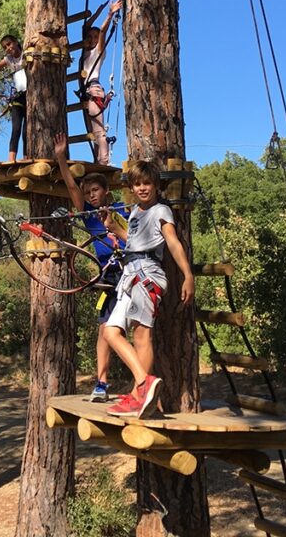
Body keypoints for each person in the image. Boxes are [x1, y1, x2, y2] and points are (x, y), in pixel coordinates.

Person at [100, 159, 195, 418]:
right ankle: (143, 383)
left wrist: (188, 275)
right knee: (110, 332)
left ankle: (138, 394)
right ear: (132, 187)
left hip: (147, 274)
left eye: (147, 183)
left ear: (156, 186)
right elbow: (133, 242)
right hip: (129, 274)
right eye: (137, 184)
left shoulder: (161, 211)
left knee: (142, 336)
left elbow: (172, 242)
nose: (142, 188)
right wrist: (113, 227)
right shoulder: (135, 213)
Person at [55, 133, 128, 402]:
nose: (91, 196)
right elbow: (72, 188)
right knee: (105, 329)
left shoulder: (123, 208)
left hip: (130, 270)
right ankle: (102, 383)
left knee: (135, 329)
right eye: (88, 193)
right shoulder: (89, 214)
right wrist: (61, 158)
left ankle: (144, 382)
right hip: (108, 274)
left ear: (106, 190)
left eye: (95, 190)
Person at [77, 0, 121, 166]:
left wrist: (109, 14)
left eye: (95, 37)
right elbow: (85, 26)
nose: (92, 39)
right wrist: (97, 12)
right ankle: (97, 161)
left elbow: (103, 32)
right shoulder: (84, 52)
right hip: (86, 93)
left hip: (94, 89)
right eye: (90, 36)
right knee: (92, 131)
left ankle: (103, 162)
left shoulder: (98, 51)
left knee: (99, 130)